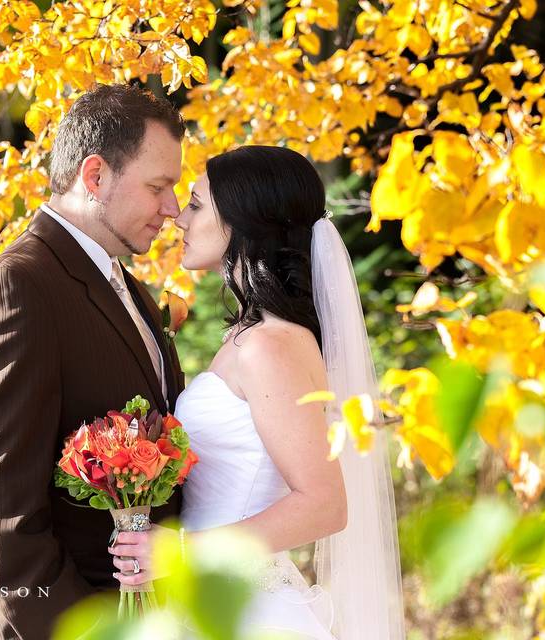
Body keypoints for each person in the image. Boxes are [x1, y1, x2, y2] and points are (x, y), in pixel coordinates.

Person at [107, 146, 406, 639]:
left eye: (197, 204)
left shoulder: (271, 345)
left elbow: (324, 504)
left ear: (242, 221)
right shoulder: (252, 336)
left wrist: (183, 551)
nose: (179, 217)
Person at [0, 84, 187, 639]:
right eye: (158, 187)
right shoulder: (19, 286)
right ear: (95, 175)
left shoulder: (130, 290)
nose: (172, 209)